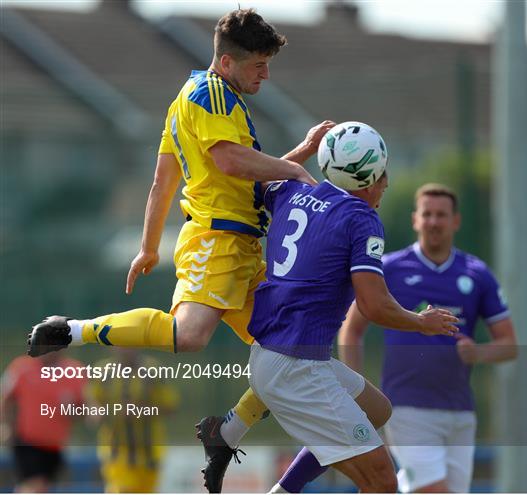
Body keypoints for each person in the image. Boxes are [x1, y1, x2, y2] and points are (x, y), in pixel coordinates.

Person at [26, 8, 333, 481]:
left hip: (244, 247)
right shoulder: (209, 93)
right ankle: (72, 331)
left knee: (288, 355)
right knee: (189, 336)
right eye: (258, 65)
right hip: (217, 240)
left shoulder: (197, 99)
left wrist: (149, 247)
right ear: (227, 63)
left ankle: (225, 434)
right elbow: (230, 162)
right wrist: (293, 168)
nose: (266, 75)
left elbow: (170, 180)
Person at [243, 136, 459, 490]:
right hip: (296, 367)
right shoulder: (361, 219)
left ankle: (283, 490)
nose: (384, 185)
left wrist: (302, 152)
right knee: (383, 478)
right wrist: (421, 322)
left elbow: (256, 181)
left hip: (278, 355)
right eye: (382, 176)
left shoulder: (293, 190)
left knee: (376, 411)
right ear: (370, 178)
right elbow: (373, 305)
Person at [337, 183, 518, 493]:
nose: (434, 221)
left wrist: (479, 353)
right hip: (407, 407)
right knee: (435, 490)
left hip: (460, 411)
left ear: (455, 221)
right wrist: (357, 392)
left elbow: (509, 345)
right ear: (415, 220)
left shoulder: (476, 274)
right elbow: (352, 330)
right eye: (427, 214)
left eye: (441, 215)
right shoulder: (390, 269)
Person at [86, 349, 179, 493]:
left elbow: (170, 407)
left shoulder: (153, 369)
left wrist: (141, 410)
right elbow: (92, 403)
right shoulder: (103, 371)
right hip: (116, 452)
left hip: (149, 453)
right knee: (121, 489)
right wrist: (97, 413)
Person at [0, 352, 86, 492]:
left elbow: (83, 411)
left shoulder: (75, 370)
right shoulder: (21, 367)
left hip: (56, 445)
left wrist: (71, 409)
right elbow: (6, 398)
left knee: (41, 487)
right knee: (35, 485)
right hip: (27, 441)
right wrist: (5, 426)